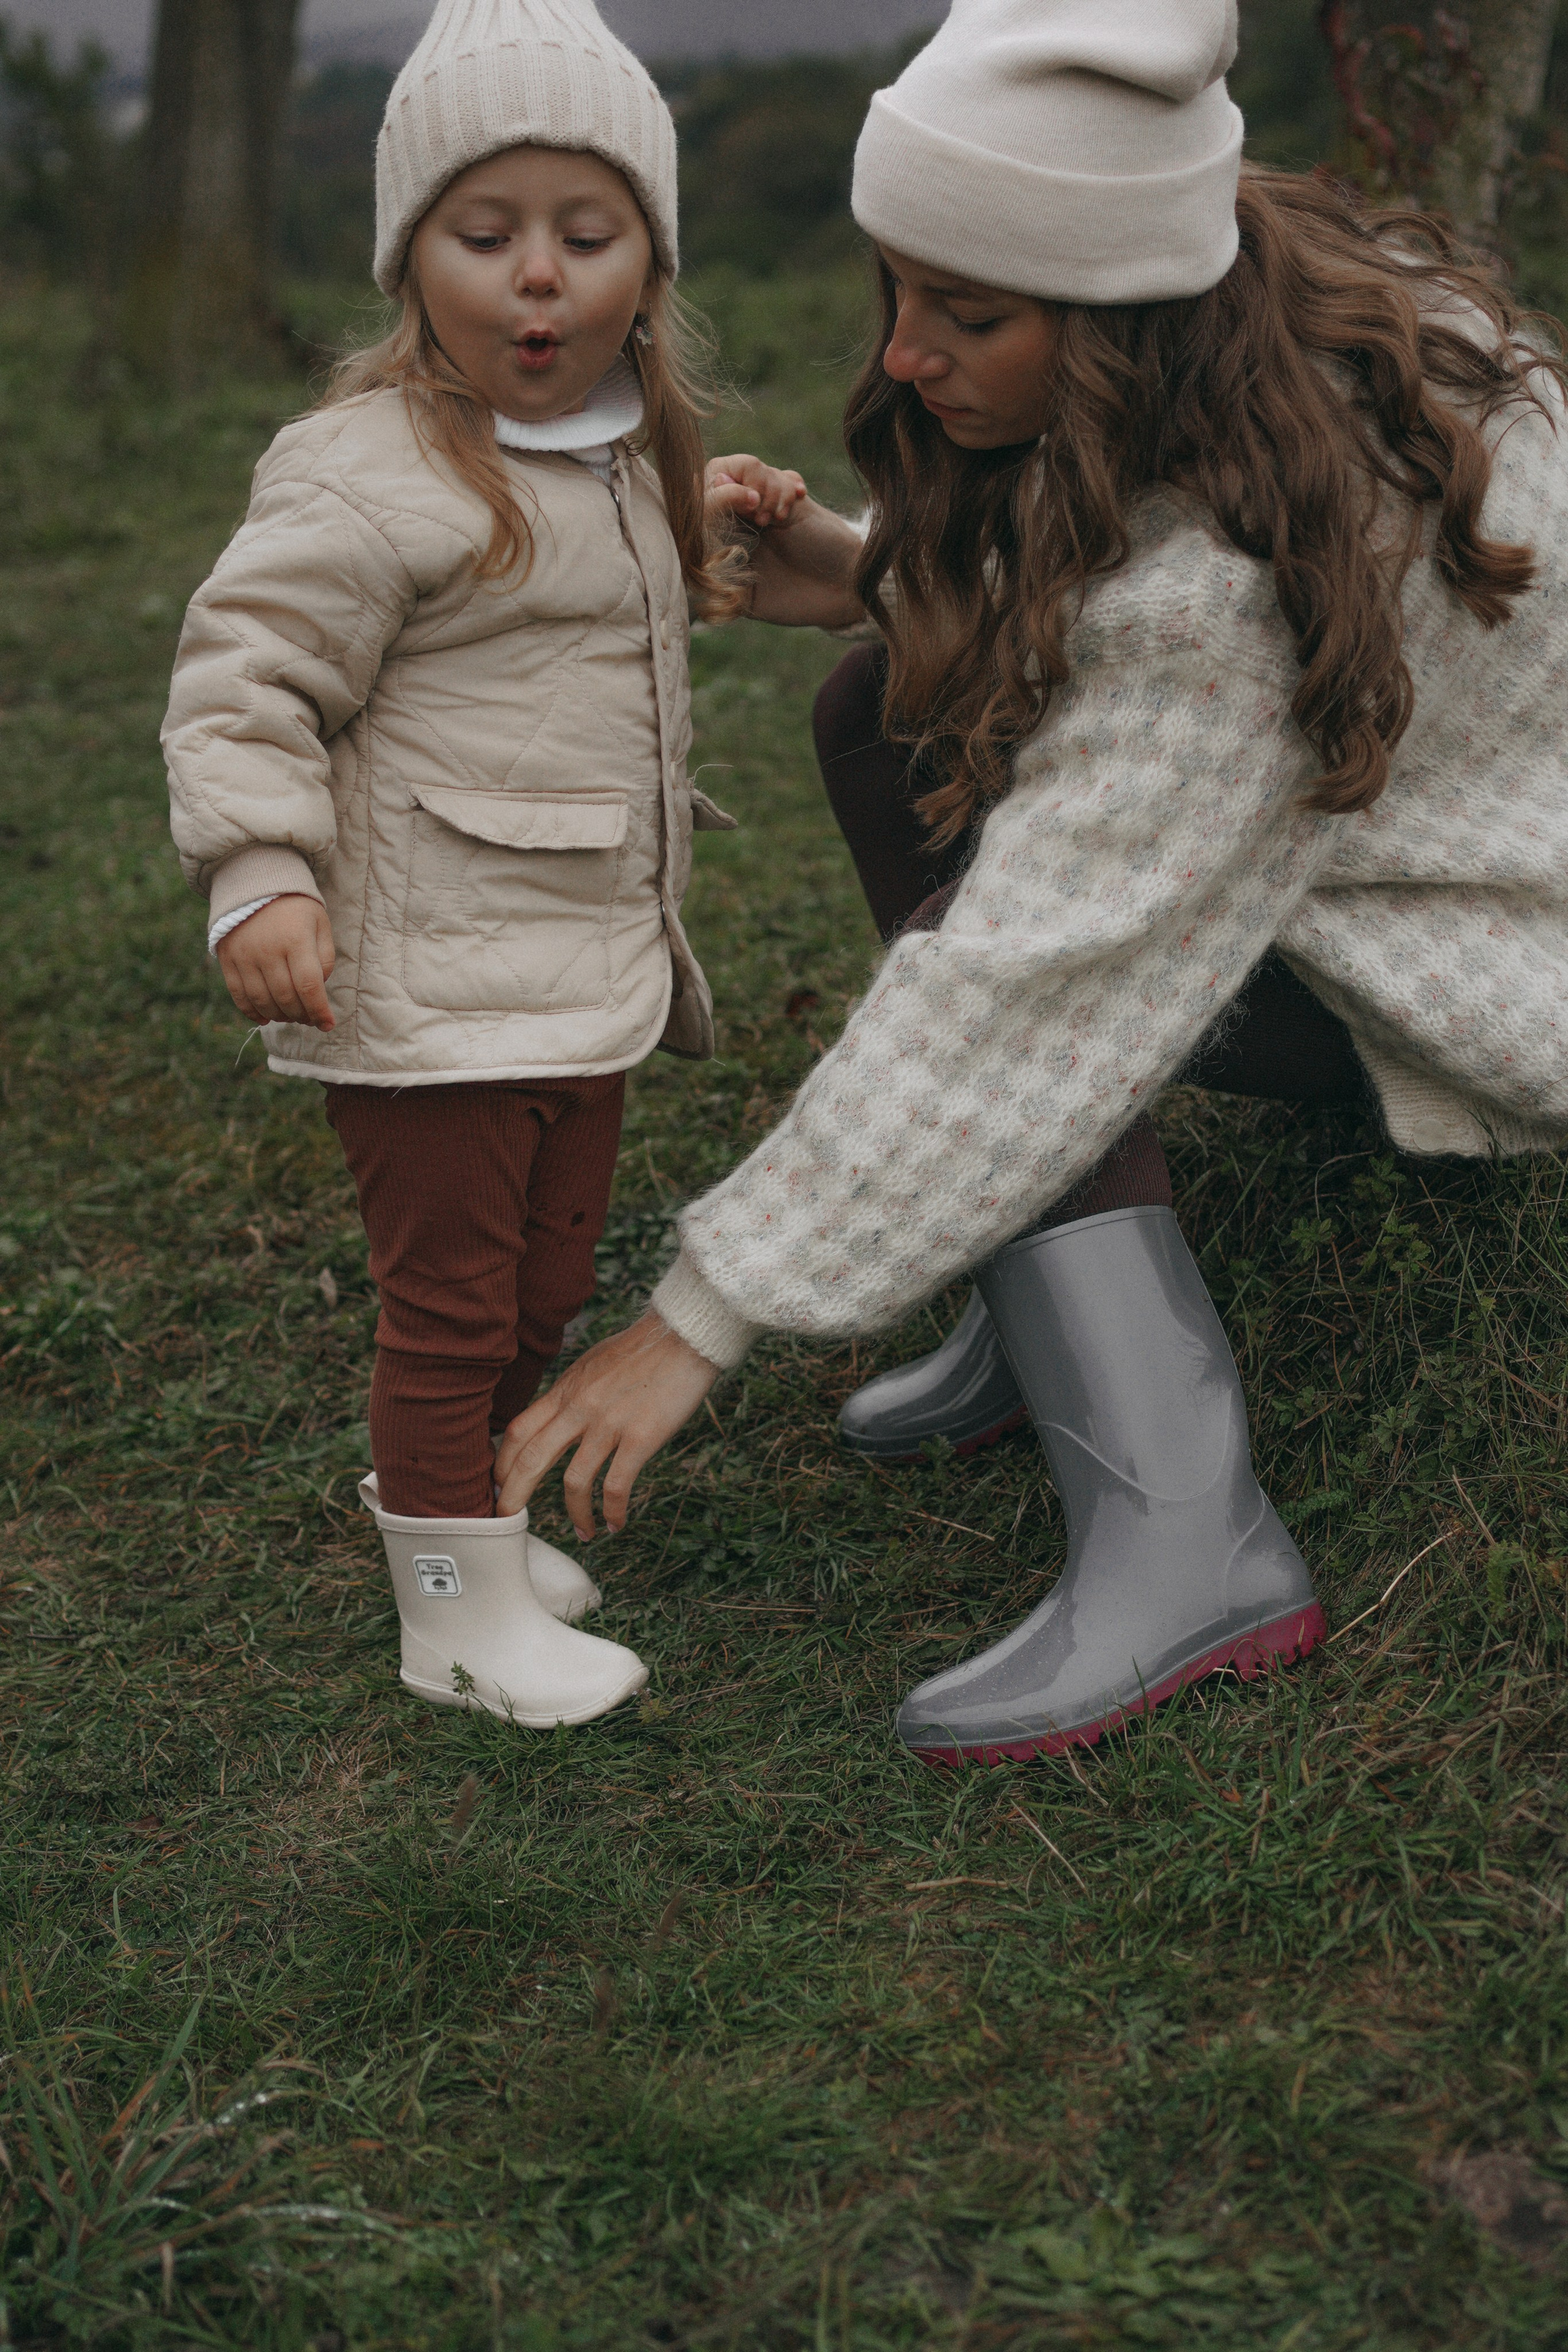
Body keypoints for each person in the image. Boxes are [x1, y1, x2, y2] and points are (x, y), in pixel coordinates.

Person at [494, 0, 1568, 1765]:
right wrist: (865, 575)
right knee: (883, 710)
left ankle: (1186, 1523)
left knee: (1010, 945)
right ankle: (1040, 1292)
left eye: (971, 315)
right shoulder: (1257, 302)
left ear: (1117, 307)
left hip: (1486, 965)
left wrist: (696, 1318)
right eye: (900, 290)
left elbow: (1034, 971)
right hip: (1350, 830)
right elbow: (1113, 600)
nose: (907, 355)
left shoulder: (1241, 592)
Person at [162, 0, 802, 1731]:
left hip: (579, 970)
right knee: (449, 1306)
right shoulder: (368, 475)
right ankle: (450, 1615)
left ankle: (477, 1532)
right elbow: (245, 679)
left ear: (649, 264)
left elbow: (599, 603)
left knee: (546, 1278)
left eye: (587, 236)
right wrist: (259, 871)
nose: (539, 277)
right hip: (428, 983)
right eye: (485, 233)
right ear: (409, 260)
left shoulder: (624, 449)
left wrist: (711, 524)